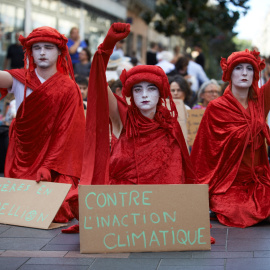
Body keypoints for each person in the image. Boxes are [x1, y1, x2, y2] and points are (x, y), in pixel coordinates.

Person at [63, 22, 197, 234]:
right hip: (124, 207)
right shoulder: (122, 117)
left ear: (160, 94)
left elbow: (179, 174)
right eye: (138, 89)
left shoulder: (171, 126)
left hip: (162, 211)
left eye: (151, 88)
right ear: (131, 95)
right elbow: (98, 82)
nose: (144, 94)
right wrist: (108, 45)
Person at [0, 26, 85, 223]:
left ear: (59, 51)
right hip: (22, 157)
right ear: (30, 52)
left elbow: (68, 133)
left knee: (59, 208)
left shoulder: (69, 87)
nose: (43, 53)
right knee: (16, 205)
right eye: (37, 48)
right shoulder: (19, 78)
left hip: (56, 163)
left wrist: (48, 165)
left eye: (48, 47)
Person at [191, 49, 270, 228]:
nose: (244, 73)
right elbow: (203, 153)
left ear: (255, 74)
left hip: (258, 181)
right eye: (238, 68)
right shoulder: (215, 107)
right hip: (228, 184)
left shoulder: (260, 102)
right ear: (229, 73)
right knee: (238, 211)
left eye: (249, 68)